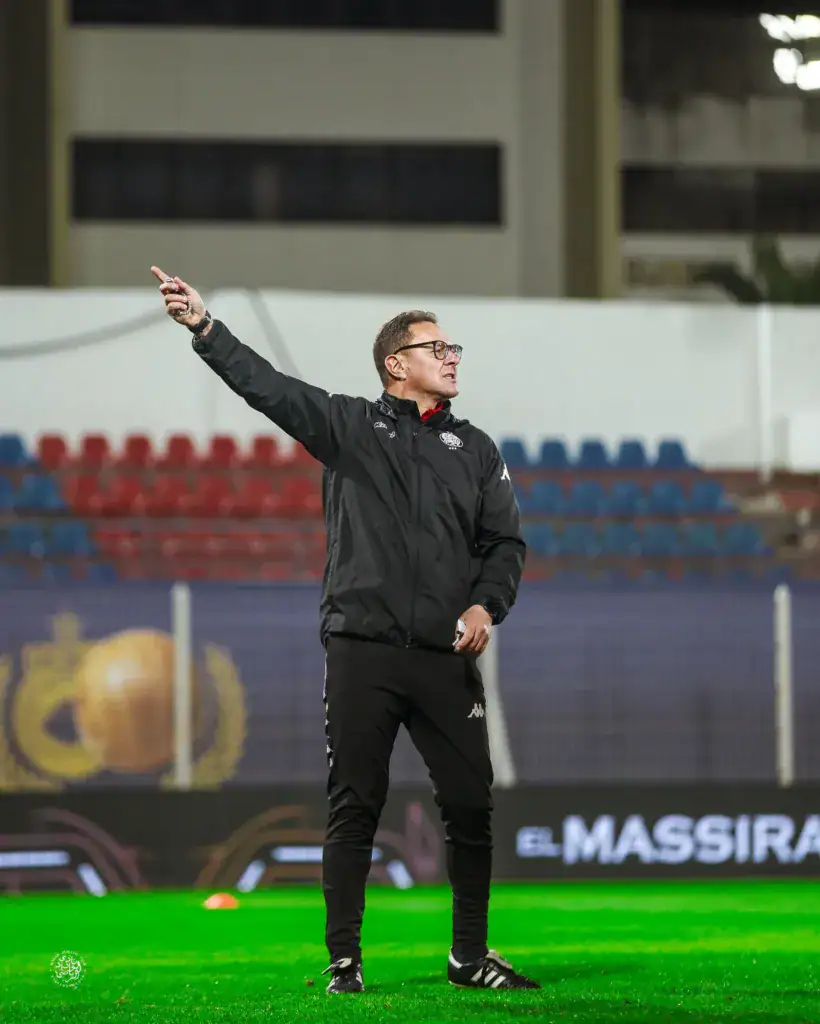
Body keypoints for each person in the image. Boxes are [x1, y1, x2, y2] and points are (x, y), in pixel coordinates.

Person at [150, 266, 539, 994]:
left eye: (453, 348)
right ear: (396, 364)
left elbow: (505, 545)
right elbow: (268, 387)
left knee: (470, 805)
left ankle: (468, 958)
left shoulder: (478, 450)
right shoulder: (350, 426)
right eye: (436, 347)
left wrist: (486, 606)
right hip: (362, 651)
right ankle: (345, 962)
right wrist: (205, 328)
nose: (452, 357)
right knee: (355, 803)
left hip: (445, 657)